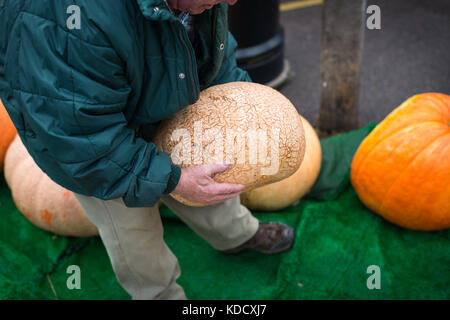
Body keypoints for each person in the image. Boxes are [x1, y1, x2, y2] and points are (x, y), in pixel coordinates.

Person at [0, 0, 295, 300]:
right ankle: (160, 294)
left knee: (209, 176)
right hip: (92, 144)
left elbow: (213, 52)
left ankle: (237, 235)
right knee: (135, 236)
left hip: (150, 90)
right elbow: (85, 141)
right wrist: (174, 180)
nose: (232, 1)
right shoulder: (71, 22)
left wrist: (241, 101)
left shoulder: (200, 2)